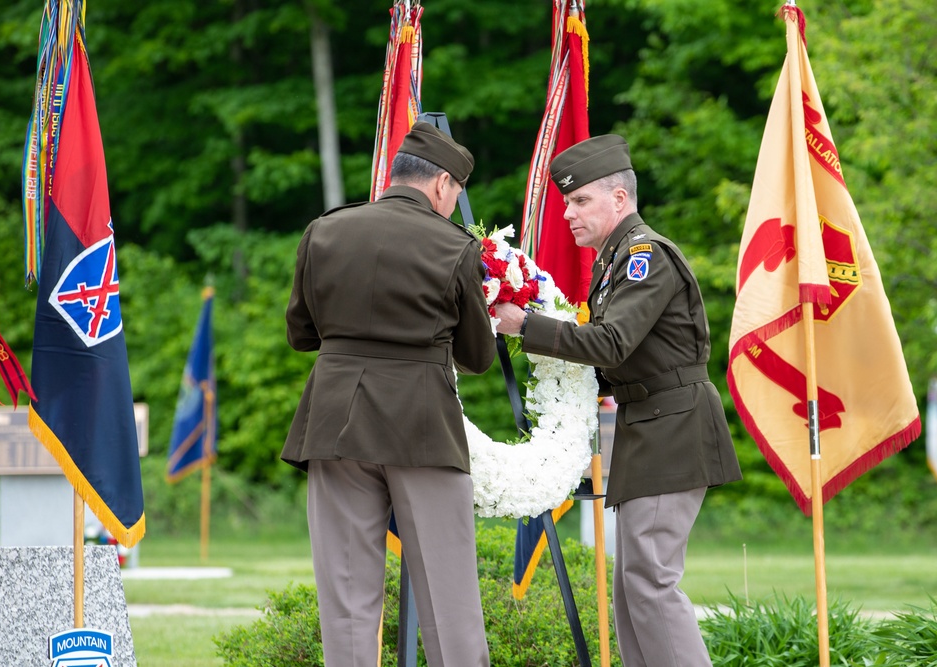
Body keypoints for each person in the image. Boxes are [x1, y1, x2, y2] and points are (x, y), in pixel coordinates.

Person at [495, 134, 742, 667]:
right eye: (567, 202)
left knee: (649, 582)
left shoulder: (642, 257)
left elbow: (611, 343)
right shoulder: (614, 263)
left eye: (580, 200)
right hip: (647, 426)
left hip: (670, 428)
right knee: (632, 592)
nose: (568, 214)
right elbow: (620, 363)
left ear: (620, 199)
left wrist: (525, 325)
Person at [283, 121, 496, 667]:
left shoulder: (324, 231)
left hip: (335, 422)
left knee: (348, 598)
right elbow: (476, 356)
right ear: (444, 185)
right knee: (448, 599)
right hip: (421, 425)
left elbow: (302, 333)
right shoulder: (455, 246)